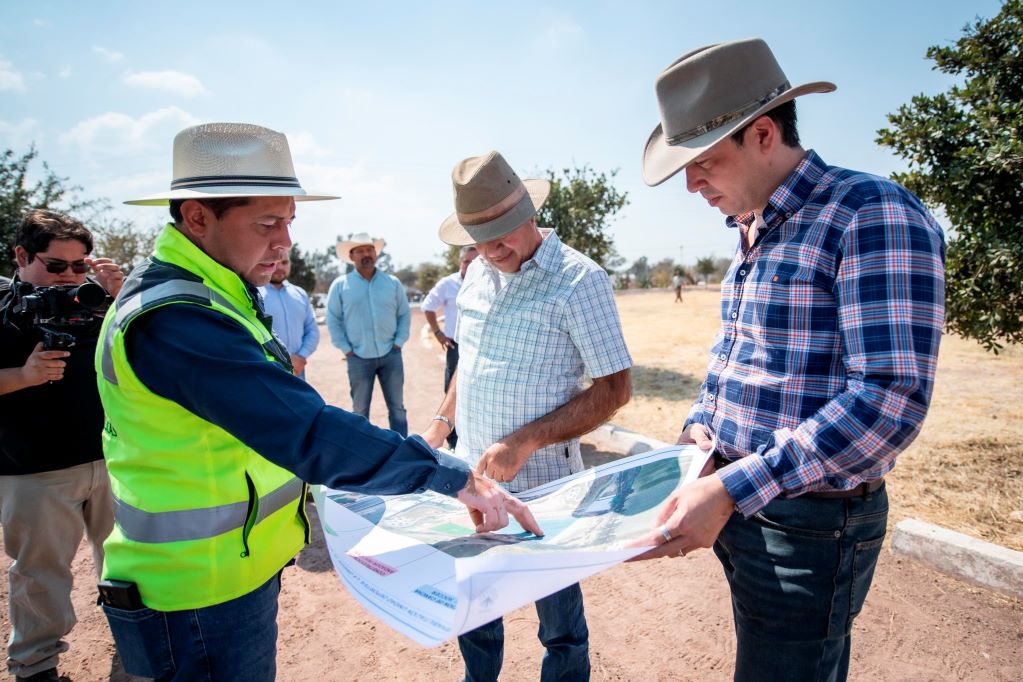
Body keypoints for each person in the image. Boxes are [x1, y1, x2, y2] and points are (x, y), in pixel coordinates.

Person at [95, 123, 541, 682]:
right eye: (267, 223)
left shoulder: (213, 290)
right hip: (193, 599)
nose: (284, 243)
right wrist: (453, 477)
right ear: (197, 218)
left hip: (222, 578)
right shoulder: (178, 318)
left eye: (288, 222)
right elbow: (303, 429)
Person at [632, 39, 945, 681]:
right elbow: (740, 361)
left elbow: (888, 402)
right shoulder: (753, 229)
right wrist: (698, 437)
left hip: (810, 524)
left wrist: (731, 486)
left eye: (705, 163)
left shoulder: (870, 214)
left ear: (765, 134)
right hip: (745, 498)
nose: (691, 184)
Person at [421, 151, 633, 682]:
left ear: (530, 214)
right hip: (472, 480)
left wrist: (525, 442)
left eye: (502, 234)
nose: (492, 250)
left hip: (546, 491)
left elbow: (615, 388)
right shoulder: (472, 276)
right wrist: (441, 425)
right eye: (479, 239)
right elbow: (467, 363)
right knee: (475, 611)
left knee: (560, 625)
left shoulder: (580, 281)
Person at [0, 209, 124, 682]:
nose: (69, 278)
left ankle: (135, 638)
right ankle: (35, 666)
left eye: (80, 266)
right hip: (33, 470)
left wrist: (120, 295)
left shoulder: (100, 302)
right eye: (55, 266)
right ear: (21, 255)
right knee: (39, 574)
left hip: (110, 459)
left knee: (125, 559)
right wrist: (22, 377)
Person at [326, 233, 410, 436]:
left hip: (391, 354)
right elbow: (333, 319)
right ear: (352, 256)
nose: (366, 254)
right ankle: (363, 455)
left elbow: (404, 313)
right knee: (360, 411)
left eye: (369, 250)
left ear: (376, 253)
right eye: (361, 251)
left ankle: (405, 454)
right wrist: (346, 350)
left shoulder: (392, 283)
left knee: (397, 409)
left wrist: (398, 342)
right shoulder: (340, 285)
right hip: (358, 359)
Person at [421, 245, 479, 448]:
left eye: (475, 261)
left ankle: (473, 436)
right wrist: (438, 333)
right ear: (460, 262)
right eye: (466, 261)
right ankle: (454, 441)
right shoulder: (447, 284)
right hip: (456, 346)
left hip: (481, 346)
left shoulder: (487, 281)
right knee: (453, 392)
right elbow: (427, 306)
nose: (470, 265)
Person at [257, 252, 319, 379]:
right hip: (267, 371)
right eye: (275, 262)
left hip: (298, 370)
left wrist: (301, 356)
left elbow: (312, 330)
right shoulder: (255, 294)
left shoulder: (300, 294)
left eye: (284, 262)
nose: (280, 267)